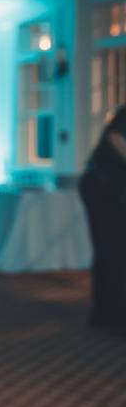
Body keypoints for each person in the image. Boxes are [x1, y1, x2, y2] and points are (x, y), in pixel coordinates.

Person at [79, 105, 126, 329]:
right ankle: (110, 317)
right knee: (113, 250)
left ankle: (106, 314)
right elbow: (117, 138)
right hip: (101, 186)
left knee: (113, 250)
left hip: (110, 187)